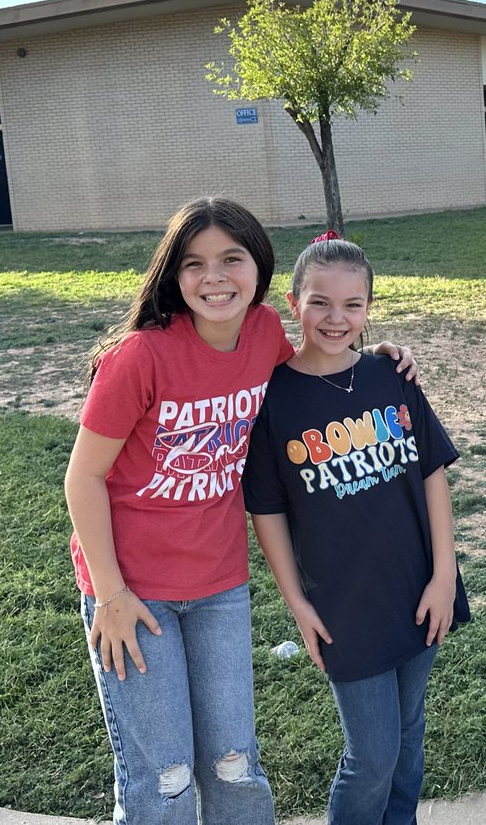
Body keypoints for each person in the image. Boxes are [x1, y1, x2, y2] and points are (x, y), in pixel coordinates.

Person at [64, 199, 416, 825]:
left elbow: (317, 367)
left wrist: (376, 355)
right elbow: (83, 477)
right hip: (131, 592)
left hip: (219, 586)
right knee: (166, 775)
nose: (215, 277)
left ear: (259, 269)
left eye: (232, 259)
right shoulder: (140, 357)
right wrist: (110, 594)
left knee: (233, 762)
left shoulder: (262, 337)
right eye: (195, 263)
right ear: (174, 274)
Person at [242, 235, 468, 825]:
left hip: (419, 589)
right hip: (345, 605)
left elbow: (433, 476)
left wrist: (445, 576)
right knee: (371, 754)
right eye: (320, 303)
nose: (336, 319)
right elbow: (265, 510)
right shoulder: (273, 399)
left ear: (370, 308)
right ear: (293, 304)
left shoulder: (391, 376)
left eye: (352, 305)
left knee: (409, 737)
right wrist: (297, 603)